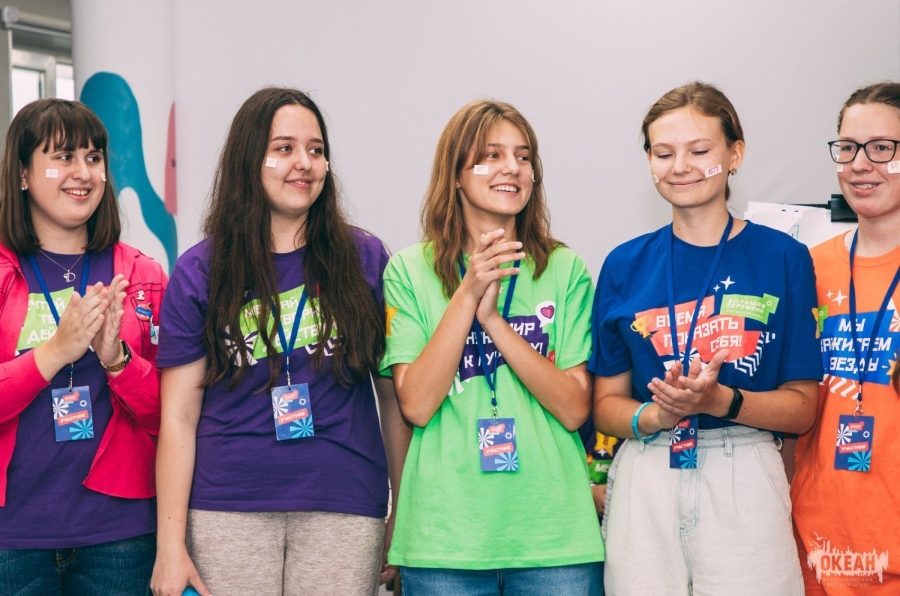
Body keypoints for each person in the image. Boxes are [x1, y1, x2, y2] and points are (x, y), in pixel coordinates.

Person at [150, 87, 409, 596]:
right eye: (284, 148)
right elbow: (178, 415)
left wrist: (404, 510)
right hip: (227, 506)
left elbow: (393, 399)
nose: (304, 163)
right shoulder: (200, 270)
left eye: (316, 150)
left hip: (343, 502)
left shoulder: (365, 258)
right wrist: (170, 545)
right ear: (250, 159)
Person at [590, 81, 822, 595]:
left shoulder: (783, 257)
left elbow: (804, 408)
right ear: (649, 162)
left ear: (734, 155)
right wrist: (656, 416)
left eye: (699, 150)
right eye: (663, 153)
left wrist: (722, 401)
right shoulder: (623, 264)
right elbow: (604, 405)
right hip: (647, 469)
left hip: (744, 470)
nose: (680, 166)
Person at [382, 100, 604, 595]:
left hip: (555, 536)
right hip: (445, 538)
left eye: (523, 157)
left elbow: (574, 408)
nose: (512, 168)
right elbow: (416, 404)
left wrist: (494, 323)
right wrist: (467, 294)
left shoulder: (563, 269)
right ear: (456, 175)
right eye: (491, 155)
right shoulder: (409, 271)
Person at [0, 99, 166, 594]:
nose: (83, 173)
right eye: (63, 157)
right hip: (12, 537)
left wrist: (117, 360)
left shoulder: (141, 275)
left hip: (120, 536)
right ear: (23, 174)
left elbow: (174, 414)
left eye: (93, 158)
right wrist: (54, 352)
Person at [791, 82, 900, 593]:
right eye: (848, 147)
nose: (860, 164)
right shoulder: (807, 268)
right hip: (818, 545)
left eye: (882, 148)